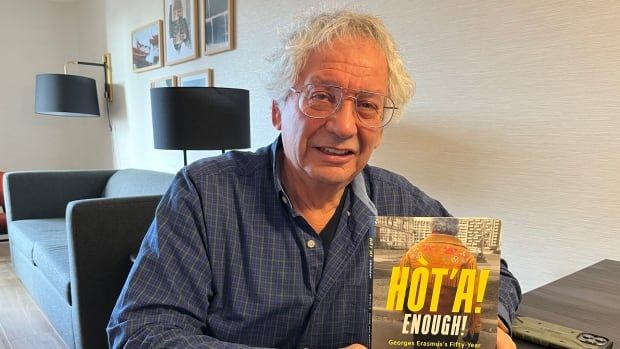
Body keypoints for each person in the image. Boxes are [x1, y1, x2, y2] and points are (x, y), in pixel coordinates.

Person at [108, 9, 521, 349]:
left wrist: (492, 326)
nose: (343, 126)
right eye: (321, 97)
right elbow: (141, 332)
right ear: (277, 111)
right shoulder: (205, 193)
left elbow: (498, 276)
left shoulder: (401, 204)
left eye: (367, 105)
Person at [399, 217, 481, 347]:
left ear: (433, 228)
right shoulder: (467, 256)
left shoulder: (413, 252)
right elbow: (473, 296)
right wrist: (475, 327)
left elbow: (401, 286)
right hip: (451, 320)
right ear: (455, 230)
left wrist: (407, 312)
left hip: (420, 316)